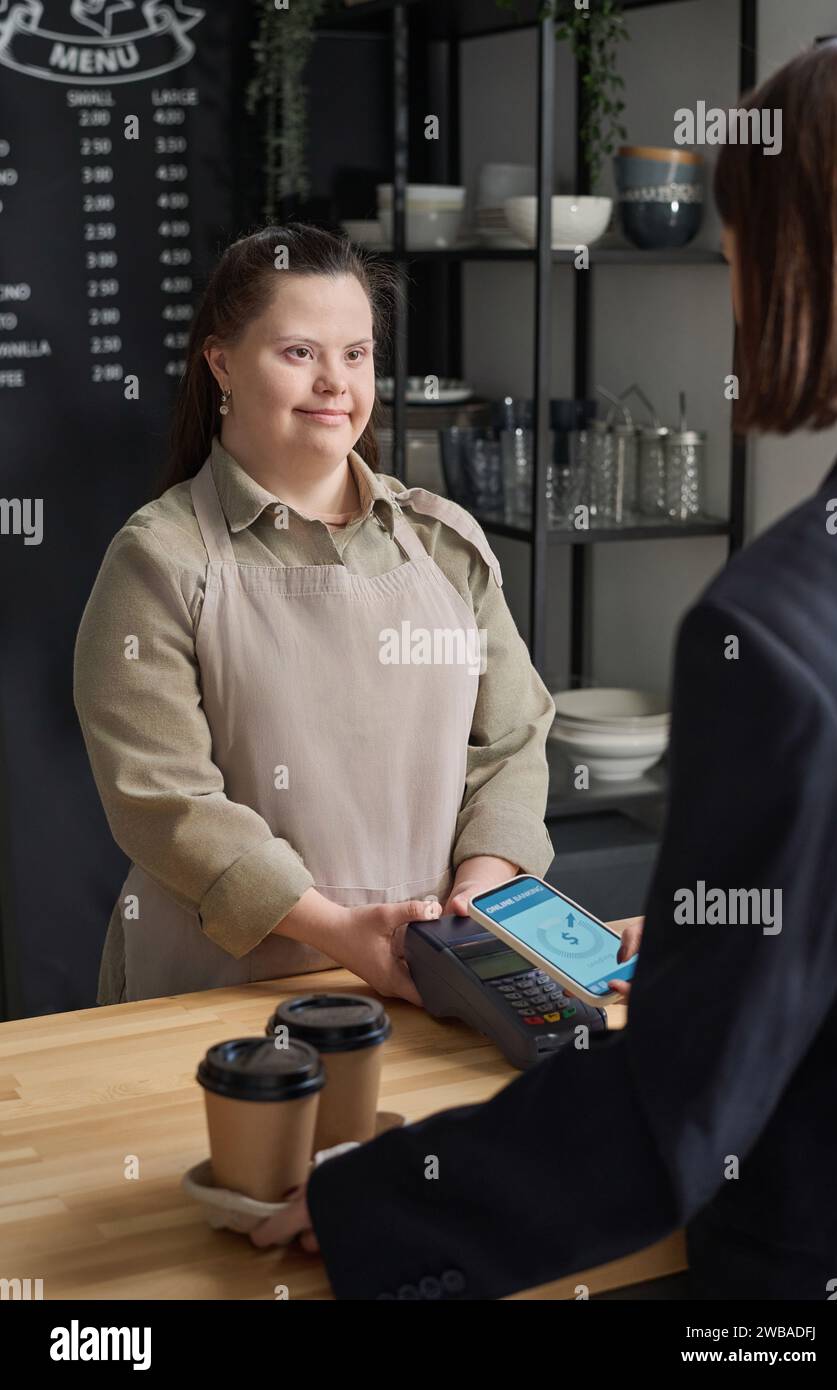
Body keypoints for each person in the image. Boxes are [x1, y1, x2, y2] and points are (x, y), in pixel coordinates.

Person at [249, 38, 837, 1301]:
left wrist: (374, 1198)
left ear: (792, 252)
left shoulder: (785, 627)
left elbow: (670, 1117)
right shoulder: (163, 555)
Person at [73, 224, 556, 1005]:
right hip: (226, 988)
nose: (336, 381)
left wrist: (478, 898)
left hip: (432, 968)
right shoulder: (158, 559)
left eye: (356, 354)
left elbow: (512, 741)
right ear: (222, 362)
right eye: (300, 352)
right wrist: (338, 930)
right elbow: (162, 798)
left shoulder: (444, 543)